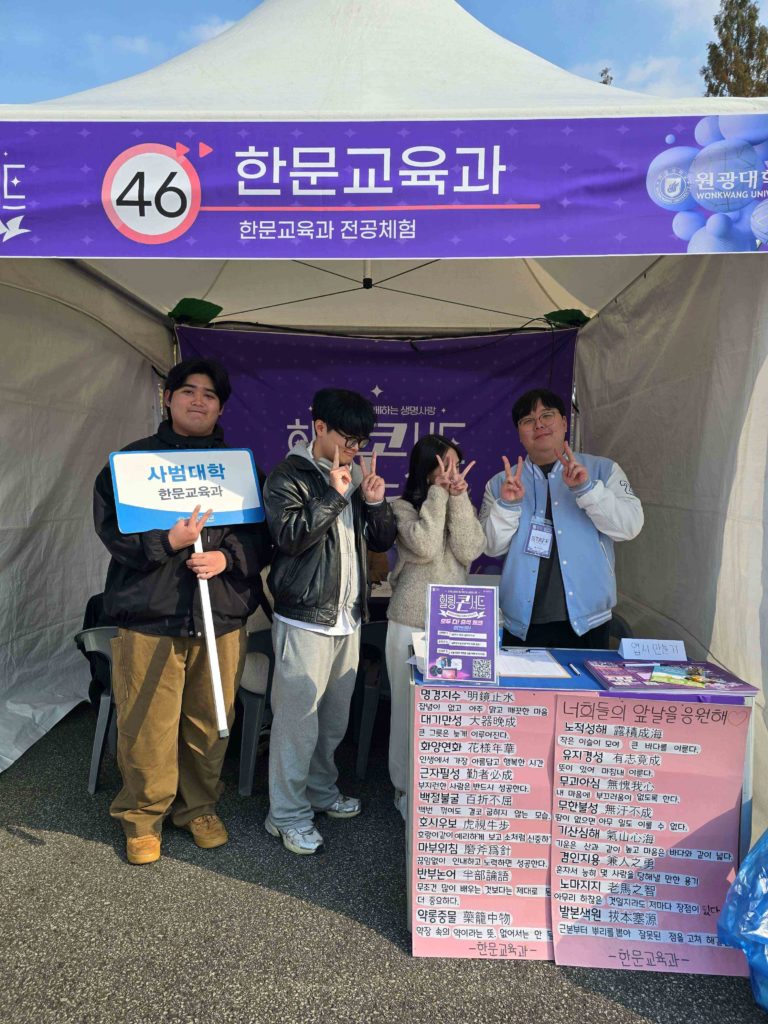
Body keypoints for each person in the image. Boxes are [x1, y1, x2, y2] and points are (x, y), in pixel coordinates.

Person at [93, 358, 271, 865]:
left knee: (210, 720)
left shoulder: (240, 470)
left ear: (221, 408)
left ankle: (198, 808)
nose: (198, 401)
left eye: (210, 395)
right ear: (168, 398)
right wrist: (167, 541)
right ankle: (142, 817)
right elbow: (112, 531)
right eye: (188, 391)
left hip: (221, 618)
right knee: (146, 723)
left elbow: (265, 537)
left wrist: (227, 558)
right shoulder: (132, 464)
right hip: (150, 616)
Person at [262, 388, 397, 855]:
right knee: (296, 724)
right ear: (319, 427)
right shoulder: (289, 474)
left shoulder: (356, 475)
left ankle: (320, 791)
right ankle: (285, 814)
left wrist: (375, 503)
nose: (354, 449)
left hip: (347, 618)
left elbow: (381, 541)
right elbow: (290, 537)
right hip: (304, 617)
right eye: (348, 438)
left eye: (361, 441)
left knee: (333, 720)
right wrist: (335, 495)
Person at [480, 387, 643, 649]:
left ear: (565, 422)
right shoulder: (501, 483)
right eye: (528, 420)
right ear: (519, 433)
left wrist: (587, 490)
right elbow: (491, 546)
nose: (539, 425)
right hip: (521, 622)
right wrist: (508, 505)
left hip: (588, 621)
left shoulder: (602, 470)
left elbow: (629, 527)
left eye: (547, 415)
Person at [386, 435, 485, 820]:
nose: (453, 472)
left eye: (457, 465)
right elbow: (425, 545)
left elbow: (470, 549)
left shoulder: (460, 501)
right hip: (409, 620)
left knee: (449, 712)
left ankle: (440, 789)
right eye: (446, 465)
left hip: (455, 626)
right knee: (406, 710)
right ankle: (404, 789)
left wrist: (458, 498)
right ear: (427, 468)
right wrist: (439, 494)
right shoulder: (401, 507)